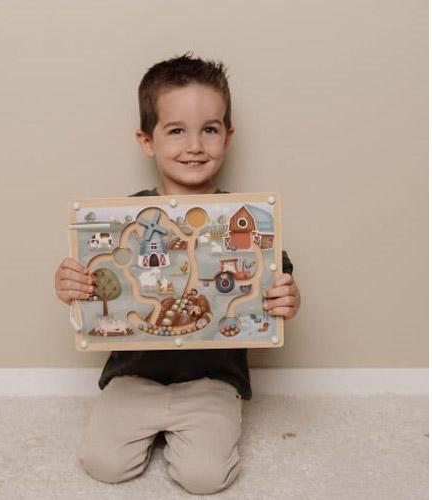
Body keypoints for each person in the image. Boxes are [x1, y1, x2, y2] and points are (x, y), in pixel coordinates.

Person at [54, 54, 301, 495]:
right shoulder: (128, 216)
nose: (195, 145)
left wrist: (288, 296)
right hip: (134, 377)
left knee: (204, 478)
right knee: (104, 464)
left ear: (228, 136)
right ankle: (152, 425)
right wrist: (68, 283)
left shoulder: (243, 215)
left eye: (210, 129)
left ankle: (195, 428)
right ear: (147, 141)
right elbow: (93, 275)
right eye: (176, 131)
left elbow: (274, 276)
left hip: (211, 381)